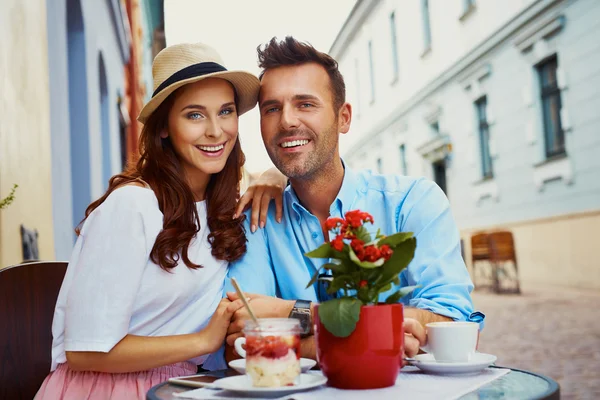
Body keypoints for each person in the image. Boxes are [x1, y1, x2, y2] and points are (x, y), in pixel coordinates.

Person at [35, 42, 286, 400]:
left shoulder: (223, 210)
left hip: (181, 388)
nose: (216, 131)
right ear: (165, 127)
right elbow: (85, 350)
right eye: (195, 115)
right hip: (106, 389)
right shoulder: (134, 205)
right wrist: (201, 340)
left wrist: (279, 175)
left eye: (225, 112)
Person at [223, 37, 485, 364]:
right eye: (272, 108)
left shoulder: (412, 202)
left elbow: (454, 324)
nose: (287, 121)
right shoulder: (256, 219)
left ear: (343, 118)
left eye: (305, 104)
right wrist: (377, 336)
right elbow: (241, 336)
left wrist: (290, 313)